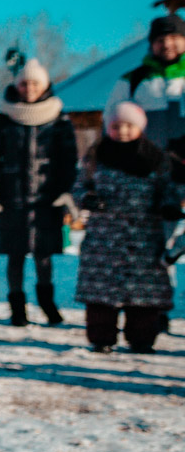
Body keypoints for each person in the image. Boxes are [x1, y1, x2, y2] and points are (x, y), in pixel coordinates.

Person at [73, 102, 182, 354]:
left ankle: (142, 339)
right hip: (104, 236)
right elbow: (79, 187)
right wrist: (87, 199)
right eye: (115, 126)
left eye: (128, 126)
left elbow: (168, 190)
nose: (122, 131)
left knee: (144, 294)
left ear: (140, 127)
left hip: (143, 236)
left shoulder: (156, 158)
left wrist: (168, 206)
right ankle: (101, 338)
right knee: (101, 293)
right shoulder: (95, 156)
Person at [0, 58, 78, 327]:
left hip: (47, 199)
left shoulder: (59, 119)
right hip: (12, 199)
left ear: (44, 85)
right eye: (24, 83)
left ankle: (47, 304)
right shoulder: (3, 119)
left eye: (35, 83)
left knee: (44, 257)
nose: (29, 88)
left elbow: (69, 160)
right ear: (17, 86)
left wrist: (67, 192)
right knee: (15, 256)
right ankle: (17, 308)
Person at [108, 13, 185, 146]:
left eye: (173, 38)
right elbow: (110, 120)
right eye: (160, 40)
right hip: (146, 161)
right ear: (152, 44)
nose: (166, 44)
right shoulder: (133, 79)